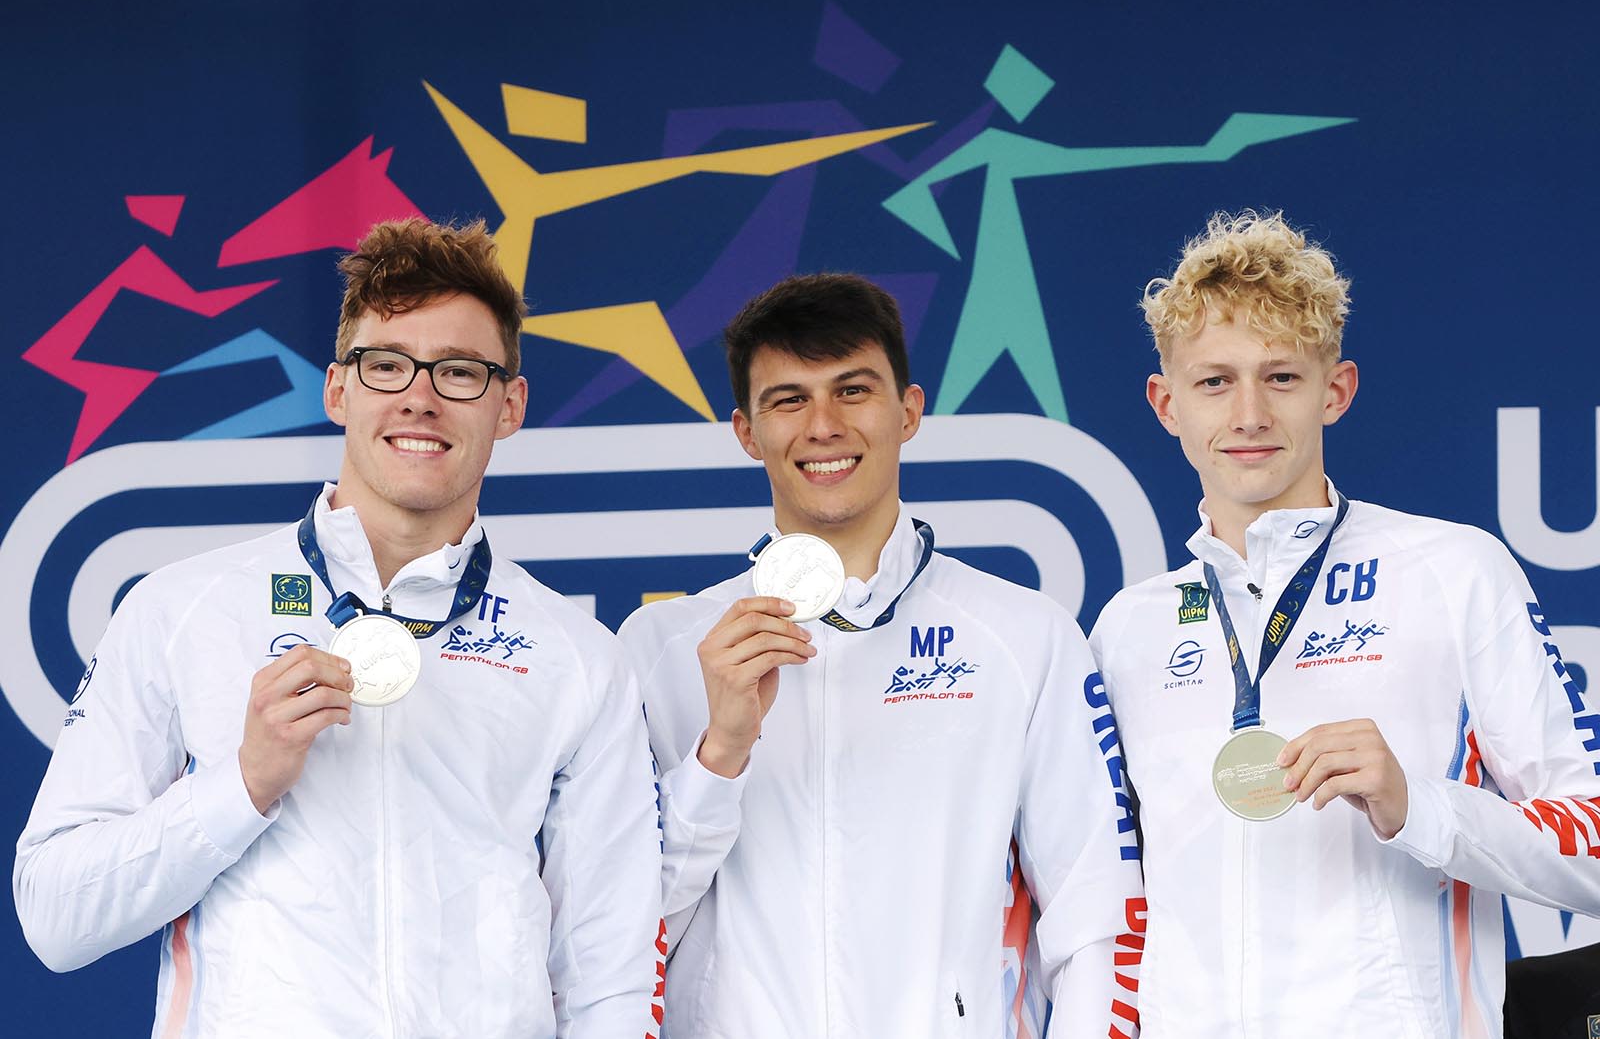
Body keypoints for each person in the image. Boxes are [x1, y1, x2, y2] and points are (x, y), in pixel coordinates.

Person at [13, 218, 663, 1039]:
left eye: (460, 371)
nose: (418, 397)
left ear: (511, 405)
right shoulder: (179, 609)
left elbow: (611, 966)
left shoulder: (577, 656)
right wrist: (241, 785)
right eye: (387, 364)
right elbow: (55, 918)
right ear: (337, 389)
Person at [1090, 210, 1600, 1037]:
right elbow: (1114, 909)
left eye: (1281, 377)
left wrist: (1419, 806)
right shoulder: (1127, 631)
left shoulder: (1453, 571)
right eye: (1214, 381)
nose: (1248, 414)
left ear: (1337, 390)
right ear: (1166, 403)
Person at [619, 273, 1146, 1038]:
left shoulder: (1024, 636)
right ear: (745, 431)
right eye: (789, 399)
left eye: (852, 390)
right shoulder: (663, 651)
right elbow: (615, 929)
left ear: (908, 411)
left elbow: (1097, 918)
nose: (823, 425)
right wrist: (719, 754)